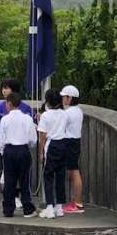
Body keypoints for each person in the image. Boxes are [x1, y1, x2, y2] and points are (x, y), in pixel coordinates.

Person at [0, 78, 34, 209]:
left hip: (15, 148)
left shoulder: (26, 109)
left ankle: (11, 207)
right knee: (10, 177)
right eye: (2, 88)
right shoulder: (0, 108)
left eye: (6, 88)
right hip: (10, 148)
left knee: (20, 177)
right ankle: (17, 201)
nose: (3, 90)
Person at [0, 92, 38, 218]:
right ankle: (27, 208)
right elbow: (33, 139)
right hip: (23, 150)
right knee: (24, 180)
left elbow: (1, 139)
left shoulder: (4, 119)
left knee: (9, 181)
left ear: (9, 103)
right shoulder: (27, 119)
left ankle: (8, 209)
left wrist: (3, 152)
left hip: (9, 150)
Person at [37, 89, 68, 219]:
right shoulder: (64, 114)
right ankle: (59, 207)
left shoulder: (45, 115)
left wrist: (41, 153)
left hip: (51, 146)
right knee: (60, 176)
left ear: (48, 102)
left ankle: (49, 206)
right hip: (63, 144)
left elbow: (42, 136)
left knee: (48, 176)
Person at [61, 85, 84, 214]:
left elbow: (59, 125)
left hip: (70, 142)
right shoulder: (78, 110)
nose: (62, 99)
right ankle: (76, 202)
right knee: (73, 170)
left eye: (64, 96)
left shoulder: (68, 113)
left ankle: (78, 204)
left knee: (74, 171)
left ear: (69, 98)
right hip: (75, 141)